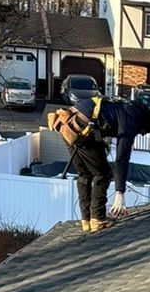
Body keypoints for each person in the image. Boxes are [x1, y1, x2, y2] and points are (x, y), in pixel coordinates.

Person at [45, 82, 111, 232]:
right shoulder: (108, 108)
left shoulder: (92, 103)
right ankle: (97, 219)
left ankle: (86, 220)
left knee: (84, 174)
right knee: (102, 174)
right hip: (81, 132)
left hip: (67, 132)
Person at [97, 95, 150, 216]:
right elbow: (122, 158)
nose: (140, 134)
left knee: (88, 175)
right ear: (143, 124)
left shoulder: (130, 110)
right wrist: (120, 194)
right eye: (142, 131)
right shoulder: (131, 121)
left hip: (75, 120)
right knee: (101, 174)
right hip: (83, 127)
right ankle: (97, 217)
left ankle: (90, 218)